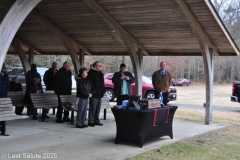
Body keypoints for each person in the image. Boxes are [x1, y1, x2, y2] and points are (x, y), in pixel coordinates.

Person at [87, 61, 105, 127]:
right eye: (99, 66)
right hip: (94, 93)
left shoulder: (100, 73)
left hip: (100, 93)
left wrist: (103, 90)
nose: (100, 67)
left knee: (98, 108)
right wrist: (93, 91)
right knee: (93, 108)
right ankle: (91, 120)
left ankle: (96, 120)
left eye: (101, 66)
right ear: (95, 66)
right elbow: (90, 83)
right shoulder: (91, 72)